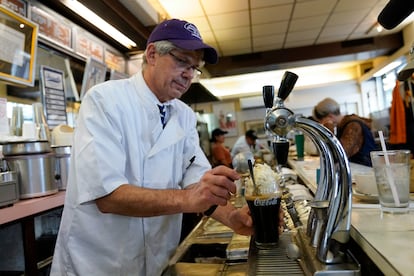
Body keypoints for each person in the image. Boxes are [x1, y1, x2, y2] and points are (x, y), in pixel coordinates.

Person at [50, 19, 254, 276]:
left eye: (194, 68)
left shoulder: (184, 115)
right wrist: (189, 199)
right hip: (99, 262)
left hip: (156, 259)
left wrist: (233, 218)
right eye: (182, 61)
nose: (189, 74)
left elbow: (196, 183)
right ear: (152, 54)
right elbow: (107, 195)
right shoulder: (105, 101)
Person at [313, 97, 378, 167]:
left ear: (330, 116)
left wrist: (328, 130)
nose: (322, 125)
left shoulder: (353, 126)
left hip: (366, 171)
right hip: (359, 169)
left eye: (322, 122)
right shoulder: (343, 126)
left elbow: (339, 155)